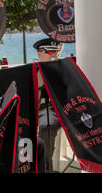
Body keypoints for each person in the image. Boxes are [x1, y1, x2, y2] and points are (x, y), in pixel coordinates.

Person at [34, 38, 63, 172]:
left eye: (55, 52)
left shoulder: (63, 68)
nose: (53, 55)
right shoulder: (32, 71)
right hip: (32, 108)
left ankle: (45, 168)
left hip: (52, 109)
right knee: (19, 128)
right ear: (39, 54)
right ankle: (26, 165)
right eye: (49, 52)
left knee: (47, 125)